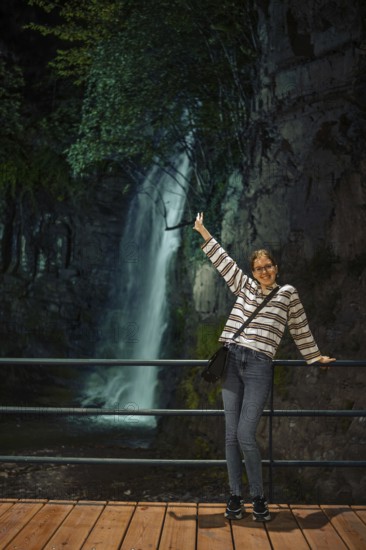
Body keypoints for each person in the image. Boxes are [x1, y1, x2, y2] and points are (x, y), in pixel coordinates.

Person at [193, 212, 335, 522]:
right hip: (232, 359)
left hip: (258, 365)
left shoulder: (287, 294)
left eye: (268, 266)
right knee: (231, 435)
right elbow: (223, 262)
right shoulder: (244, 286)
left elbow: (299, 327)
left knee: (246, 432)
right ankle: (234, 498)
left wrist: (314, 356)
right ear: (253, 272)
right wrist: (203, 230)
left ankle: (258, 497)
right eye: (259, 268)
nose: (264, 271)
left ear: (276, 268)